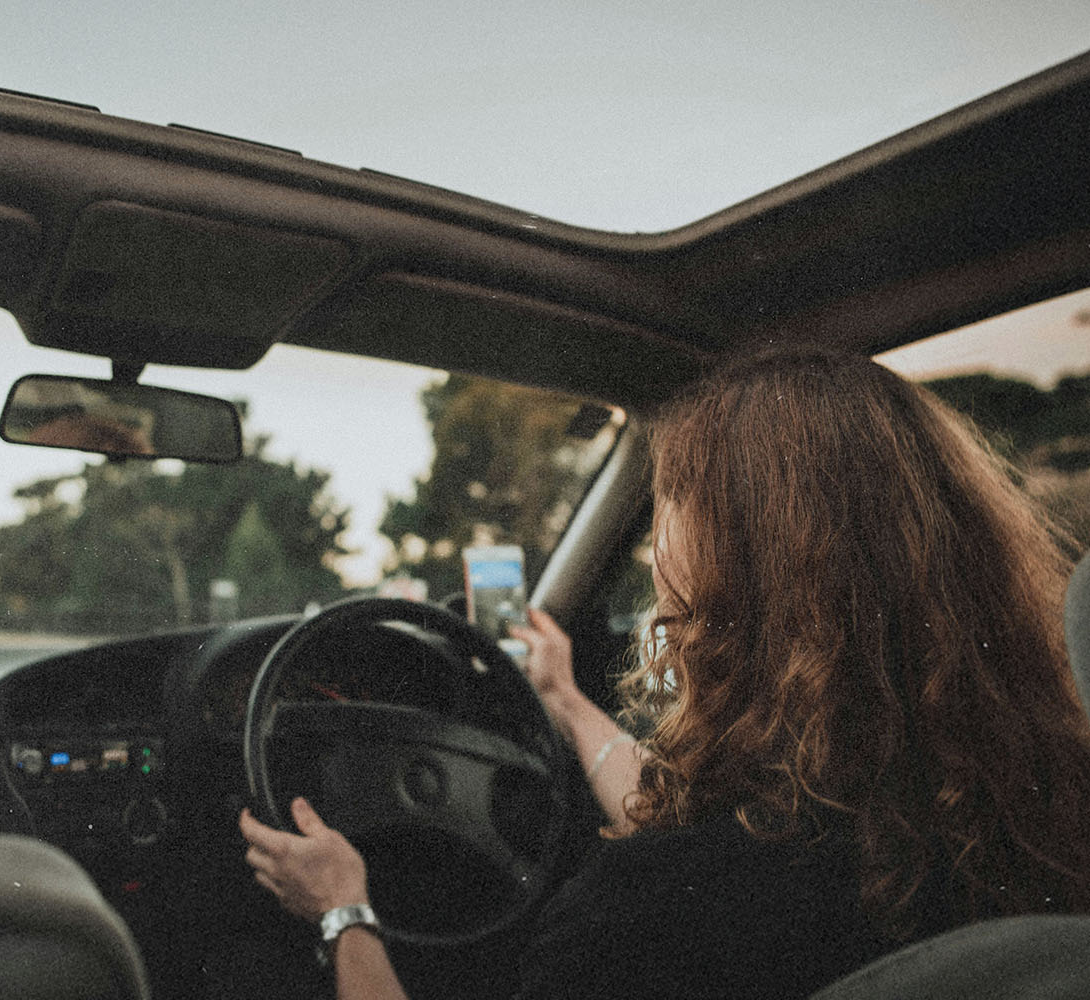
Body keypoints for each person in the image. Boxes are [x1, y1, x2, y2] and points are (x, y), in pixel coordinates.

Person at [239, 347, 1090, 999]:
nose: (655, 546)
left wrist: (344, 910)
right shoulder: (1038, 806)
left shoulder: (652, 909)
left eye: (672, 502)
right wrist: (567, 705)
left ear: (730, 568)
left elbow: (699, 863)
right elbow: (736, 833)